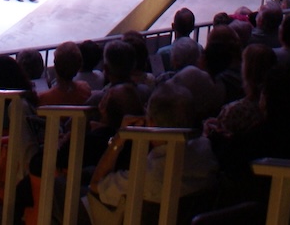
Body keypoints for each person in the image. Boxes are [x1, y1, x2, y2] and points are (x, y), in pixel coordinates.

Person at [84, 82, 216, 225]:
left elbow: (96, 185)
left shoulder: (146, 176)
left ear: (151, 123)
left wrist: (118, 139)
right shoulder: (206, 151)